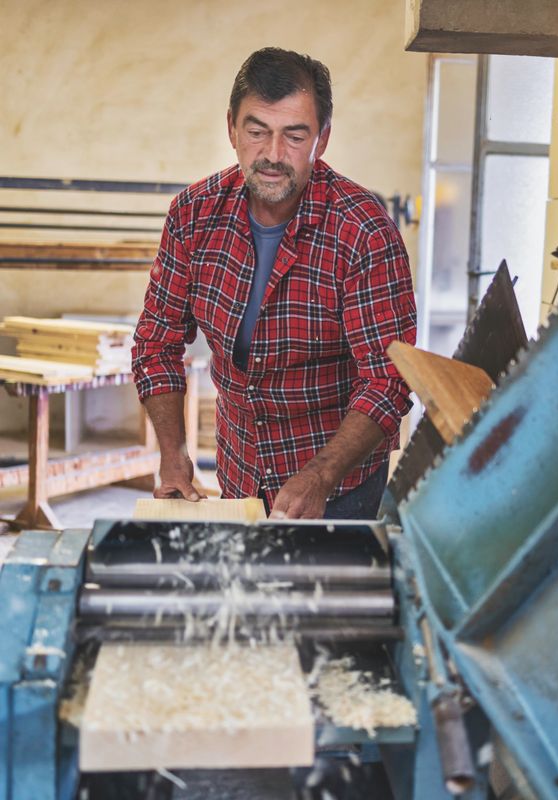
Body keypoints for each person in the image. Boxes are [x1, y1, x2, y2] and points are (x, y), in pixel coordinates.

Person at [132, 47, 416, 520]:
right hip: (239, 472)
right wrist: (174, 454)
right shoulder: (192, 216)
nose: (273, 155)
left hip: (339, 488)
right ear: (231, 128)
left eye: (295, 136)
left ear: (322, 139)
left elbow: (388, 380)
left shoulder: (364, 232)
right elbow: (156, 343)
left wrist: (320, 476)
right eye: (257, 131)